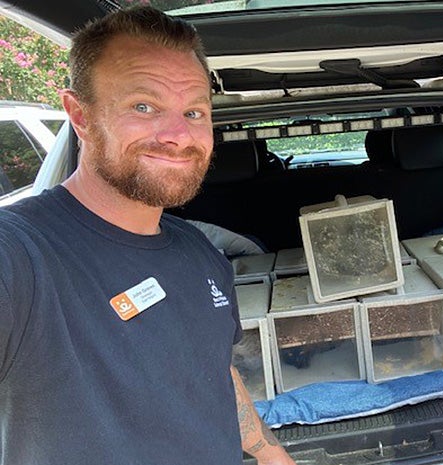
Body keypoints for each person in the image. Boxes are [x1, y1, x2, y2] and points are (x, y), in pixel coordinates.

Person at [0, 7, 295, 465]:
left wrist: (275, 458)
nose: (179, 136)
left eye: (194, 111)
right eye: (144, 106)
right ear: (80, 115)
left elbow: (212, 370)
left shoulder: (200, 253)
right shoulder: (20, 256)